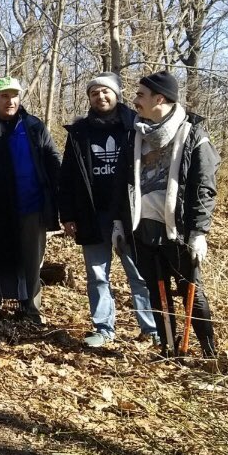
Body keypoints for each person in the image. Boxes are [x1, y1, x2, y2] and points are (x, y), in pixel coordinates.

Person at [117, 71, 218, 357]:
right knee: (156, 293)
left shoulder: (193, 133)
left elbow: (204, 188)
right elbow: (122, 182)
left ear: (159, 98)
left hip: (179, 229)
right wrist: (118, 223)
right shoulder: (134, 133)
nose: (135, 100)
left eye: (141, 95)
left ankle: (210, 354)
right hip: (143, 227)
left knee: (191, 293)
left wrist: (199, 233)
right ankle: (168, 349)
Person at [58, 72, 159, 348]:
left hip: (131, 216)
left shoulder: (136, 126)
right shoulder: (79, 132)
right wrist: (66, 215)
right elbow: (67, 176)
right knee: (97, 276)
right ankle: (103, 329)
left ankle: (151, 329)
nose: (100, 97)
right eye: (94, 93)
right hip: (92, 215)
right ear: (89, 98)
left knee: (138, 275)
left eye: (105, 92)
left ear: (116, 94)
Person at [0, 76, 61, 324]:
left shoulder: (34, 126)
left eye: (14, 95)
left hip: (30, 204)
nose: (9, 100)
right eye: (4, 96)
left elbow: (53, 160)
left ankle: (31, 309)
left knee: (32, 258)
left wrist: (58, 197)